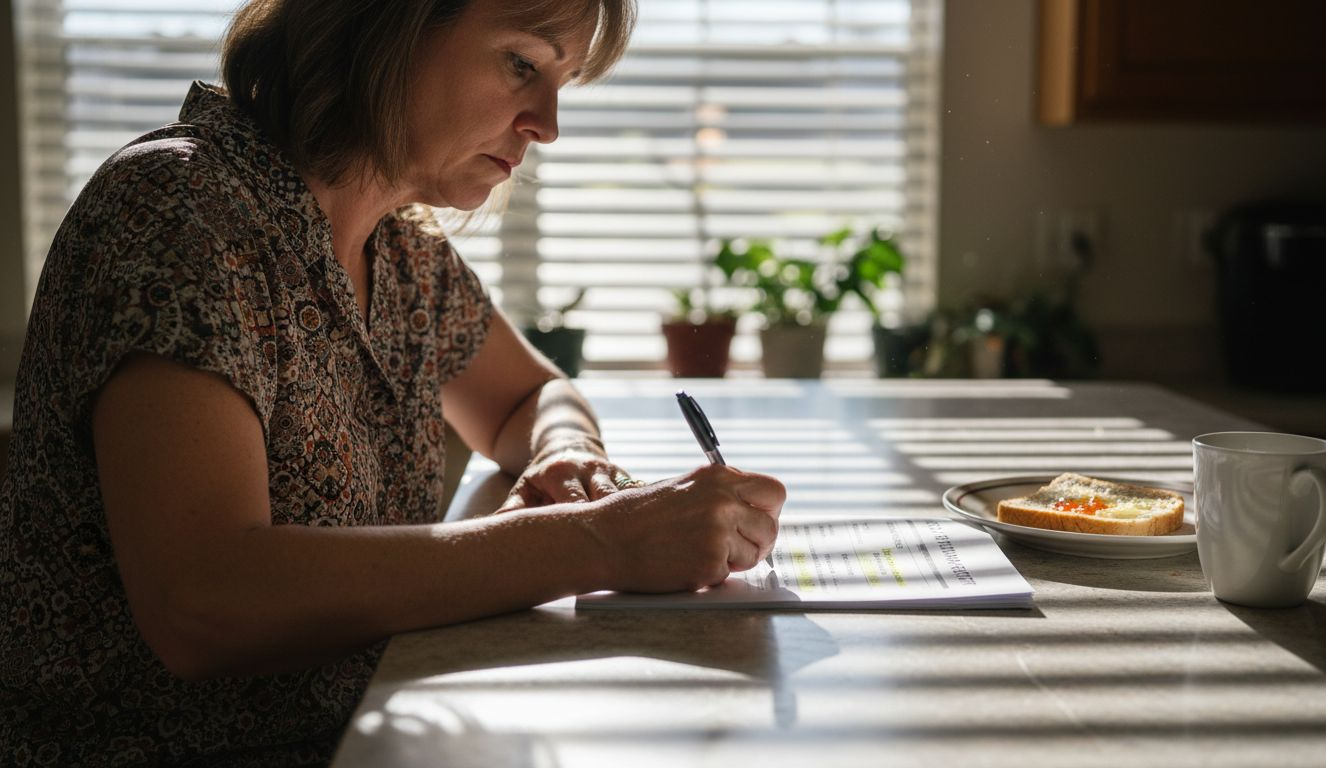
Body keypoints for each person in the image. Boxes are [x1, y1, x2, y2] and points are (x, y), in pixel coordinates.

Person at [0, 0, 786, 764]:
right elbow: (202, 604)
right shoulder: (182, 210)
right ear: (389, 22)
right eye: (523, 64)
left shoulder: (401, 251)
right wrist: (599, 542)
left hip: (378, 730)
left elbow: (528, 395)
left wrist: (565, 449)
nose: (548, 124)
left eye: (562, 84)